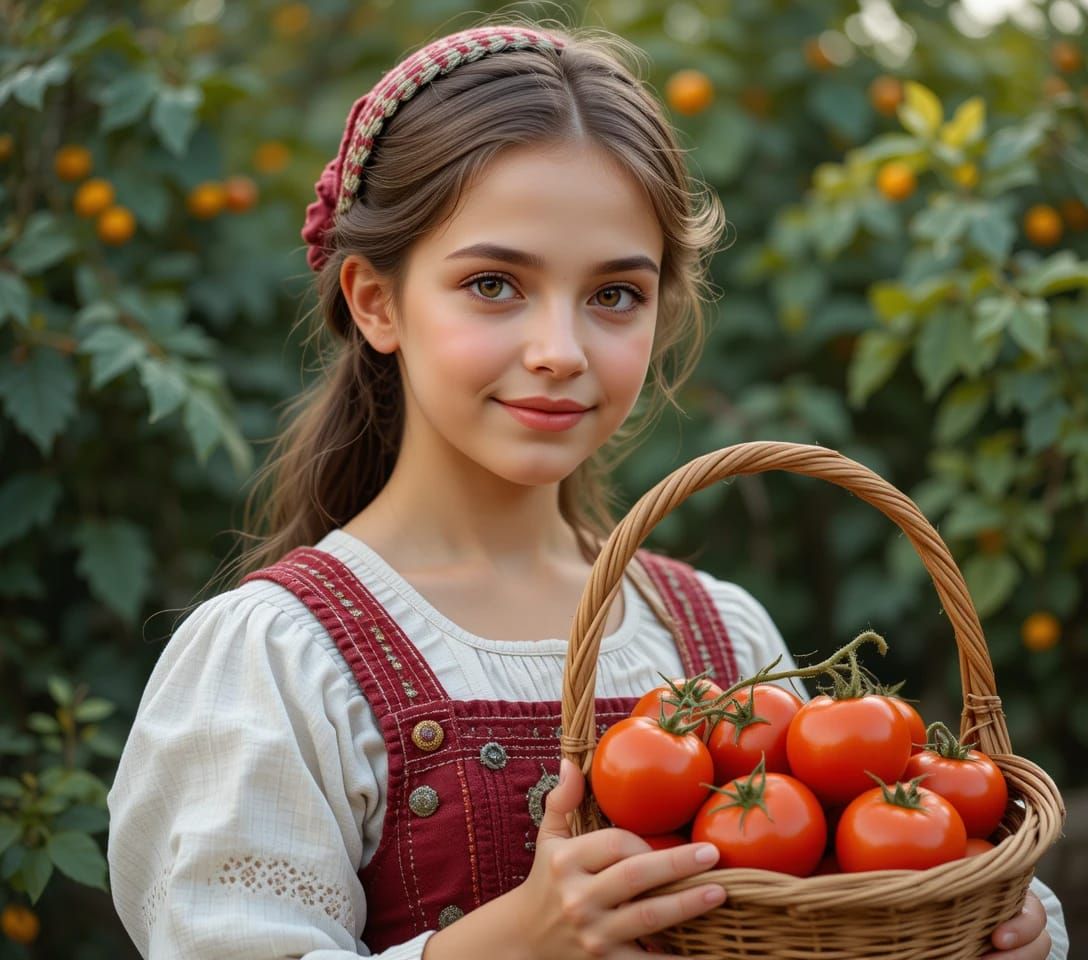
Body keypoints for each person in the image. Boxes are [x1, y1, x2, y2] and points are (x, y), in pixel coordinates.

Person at [106, 19, 1067, 960]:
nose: (560, 352)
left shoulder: (725, 640)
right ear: (376, 300)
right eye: (494, 284)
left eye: (615, 295)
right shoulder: (280, 660)